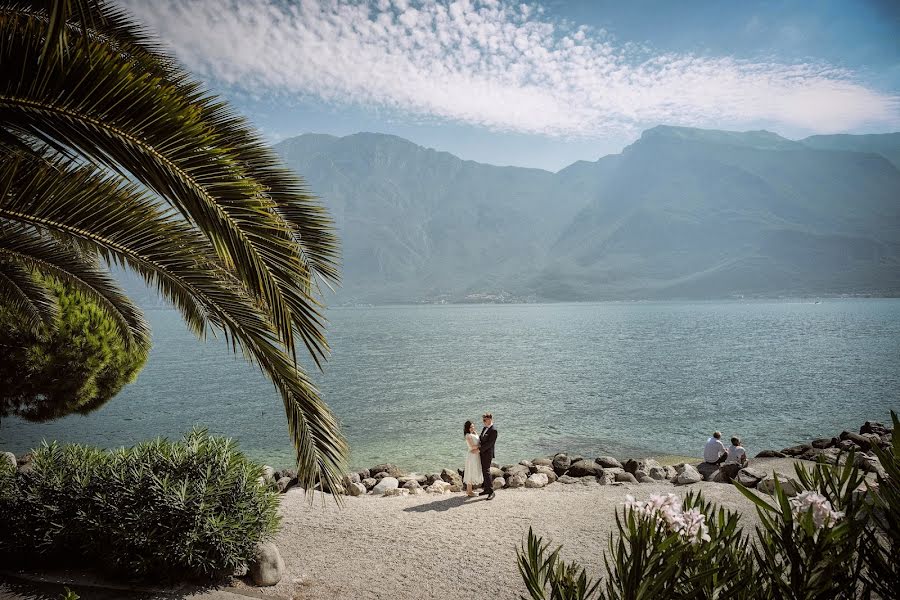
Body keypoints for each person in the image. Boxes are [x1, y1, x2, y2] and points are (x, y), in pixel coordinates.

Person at [478, 413, 498, 500]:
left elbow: (490, 444)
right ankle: (486, 489)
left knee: (486, 471)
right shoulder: (485, 428)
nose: (483, 422)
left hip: (488, 454)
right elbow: (481, 438)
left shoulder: (493, 430)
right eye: (483, 420)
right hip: (482, 453)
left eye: (484, 420)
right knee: (483, 471)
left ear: (490, 419)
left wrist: (479, 449)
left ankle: (491, 491)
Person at [462, 420, 483, 497]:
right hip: (472, 455)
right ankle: (469, 491)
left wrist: (479, 447)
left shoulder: (474, 433)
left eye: (473, 426)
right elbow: (472, 446)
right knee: (470, 471)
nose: (472, 428)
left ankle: (469, 490)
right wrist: (482, 446)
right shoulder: (468, 435)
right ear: (467, 428)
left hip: (476, 454)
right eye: (471, 427)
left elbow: (478, 442)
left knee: (473, 471)